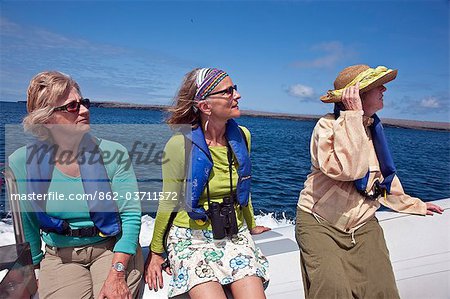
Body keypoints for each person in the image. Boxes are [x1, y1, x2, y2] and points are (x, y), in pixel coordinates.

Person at [295, 65, 444, 298]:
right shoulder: (326, 127)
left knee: (382, 291)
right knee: (332, 291)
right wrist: (353, 116)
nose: (384, 89)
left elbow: (381, 181)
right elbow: (348, 170)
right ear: (357, 94)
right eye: (377, 86)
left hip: (363, 225)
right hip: (320, 223)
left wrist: (416, 205)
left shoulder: (371, 128)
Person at [8, 71, 143, 298]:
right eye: (73, 107)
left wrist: (118, 272)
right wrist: (35, 269)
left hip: (111, 249)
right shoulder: (21, 162)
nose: (85, 110)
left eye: (84, 102)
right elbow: (29, 222)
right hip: (60, 257)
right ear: (47, 118)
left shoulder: (113, 153)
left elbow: (130, 216)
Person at [145, 68, 270, 298]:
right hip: (192, 238)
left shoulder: (243, 137)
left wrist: (251, 225)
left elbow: (244, 189)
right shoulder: (178, 145)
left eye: (235, 88)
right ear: (205, 106)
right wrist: (155, 252)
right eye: (228, 91)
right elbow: (168, 201)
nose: (237, 95)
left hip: (234, 233)